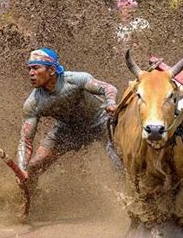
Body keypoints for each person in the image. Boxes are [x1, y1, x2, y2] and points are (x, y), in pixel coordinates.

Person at [17, 48, 117, 195]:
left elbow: (108, 88)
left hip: (101, 122)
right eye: (29, 69)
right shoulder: (33, 103)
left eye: (36, 68)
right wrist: (22, 168)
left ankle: (135, 196)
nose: (31, 73)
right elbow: (25, 141)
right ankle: (29, 202)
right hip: (68, 131)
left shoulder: (75, 79)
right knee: (32, 168)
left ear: (51, 70)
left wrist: (110, 102)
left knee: (119, 160)